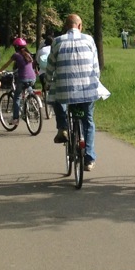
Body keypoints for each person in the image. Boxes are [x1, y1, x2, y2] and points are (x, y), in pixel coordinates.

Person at [46, 14, 101, 170]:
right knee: (88, 121)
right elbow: (96, 68)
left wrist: (48, 82)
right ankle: (89, 159)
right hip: (87, 90)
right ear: (80, 26)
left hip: (66, 90)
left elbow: (50, 66)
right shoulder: (89, 40)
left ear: (66, 26)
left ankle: (63, 127)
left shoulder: (57, 41)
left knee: (57, 97)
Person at [1, 37, 36, 127]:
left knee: (17, 97)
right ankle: (33, 103)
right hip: (33, 78)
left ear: (16, 47)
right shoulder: (28, 54)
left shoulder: (16, 55)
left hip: (23, 78)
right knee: (29, 88)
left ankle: (15, 118)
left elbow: (7, 64)